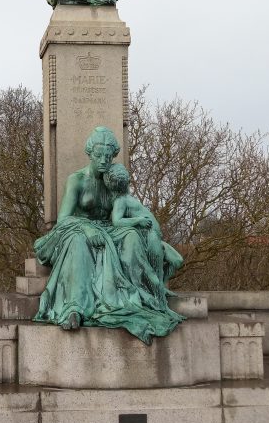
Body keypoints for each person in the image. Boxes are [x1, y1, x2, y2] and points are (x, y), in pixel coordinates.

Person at [33, 127, 182, 344]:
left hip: (110, 228)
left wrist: (147, 230)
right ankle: (74, 307)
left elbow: (124, 211)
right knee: (78, 242)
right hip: (78, 228)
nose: (104, 160)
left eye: (108, 156)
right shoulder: (77, 180)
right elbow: (64, 219)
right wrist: (88, 228)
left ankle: (135, 299)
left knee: (131, 236)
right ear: (90, 154)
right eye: (98, 155)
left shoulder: (114, 181)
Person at [104, 163, 184, 309]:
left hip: (155, 237)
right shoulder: (120, 200)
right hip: (147, 237)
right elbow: (116, 221)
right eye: (121, 181)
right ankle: (158, 291)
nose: (125, 183)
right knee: (155, 272)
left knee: (177, 261)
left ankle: (160, 287)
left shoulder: (129, 197)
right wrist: (138, 221)